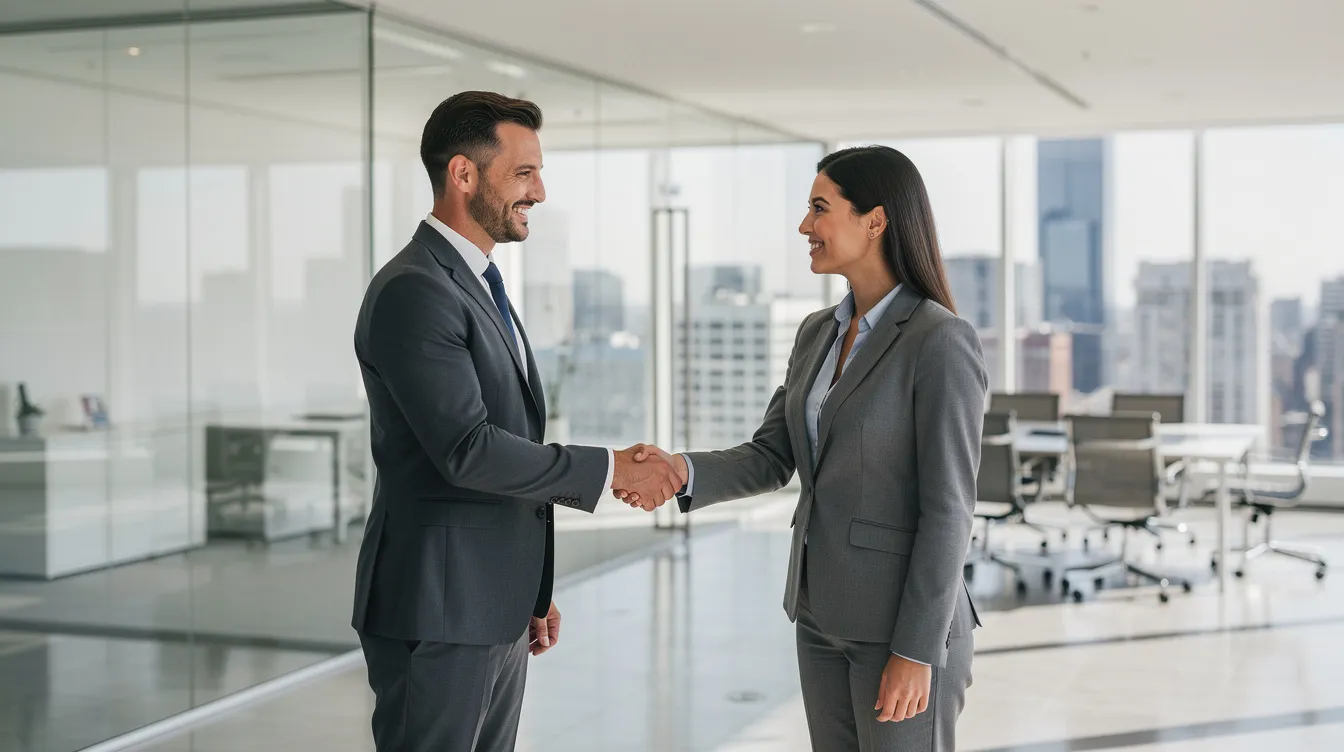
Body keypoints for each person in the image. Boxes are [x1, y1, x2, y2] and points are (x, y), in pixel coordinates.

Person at [619, 145, 987, 752]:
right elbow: (771, 455)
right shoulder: (819, 332)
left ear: (875, 221)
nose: (804, 226)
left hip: (901, 625)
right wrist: (678, 470)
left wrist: (915, 651)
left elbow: (949, 510)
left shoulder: (939, 342)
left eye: (820, 208)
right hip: (820, 613)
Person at [351, 91, 684, 752]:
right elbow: (469, 450)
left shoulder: (475, 283)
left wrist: (529, 589)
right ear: (463, 174)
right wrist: (611, 468)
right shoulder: (417, 289)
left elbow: (507, 437)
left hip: (485, 600)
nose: (540, 190)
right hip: (440, 606)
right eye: (524, 172)